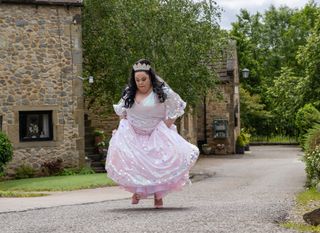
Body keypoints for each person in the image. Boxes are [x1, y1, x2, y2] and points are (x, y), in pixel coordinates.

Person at [105, 59, 199, 208]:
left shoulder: (161, 93)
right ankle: (138, 192)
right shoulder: (129, 92)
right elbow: (122, 112)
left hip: (156, 133)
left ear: (150, 78)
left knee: (159, 164)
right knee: (136, 165)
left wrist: (166, 126)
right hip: (134, 133)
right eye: (137, 80)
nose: (140, 83)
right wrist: (121, 126)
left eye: (144, 79)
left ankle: (158, 196)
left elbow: (178, 106)